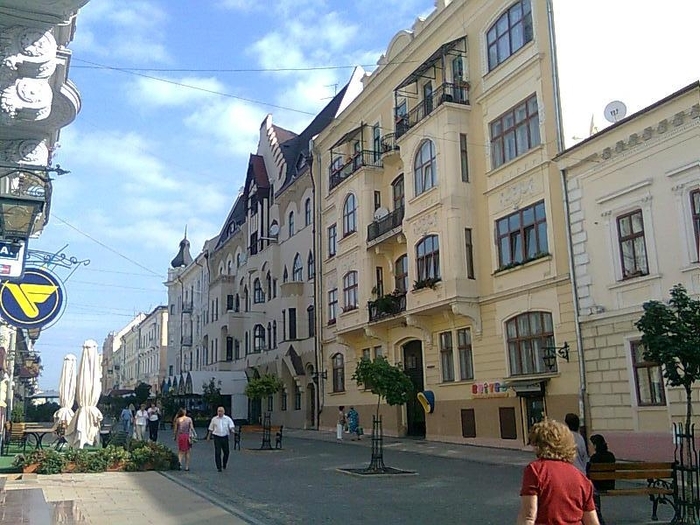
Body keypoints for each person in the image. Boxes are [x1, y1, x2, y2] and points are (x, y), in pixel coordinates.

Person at [517, 418, 599, 525]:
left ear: (539, 445)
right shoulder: (581, 477)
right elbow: (592, 522)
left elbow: (528, 517)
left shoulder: (535, 470)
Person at [587, 434, 616, 525]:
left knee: (591, 489)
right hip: (610, 485)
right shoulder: (611, 456)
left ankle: (597, 515)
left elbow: (588, 472)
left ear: (595, 445)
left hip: (598, 486)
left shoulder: (594, 458)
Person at [206, 406, 236, 472]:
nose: (219, 412)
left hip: (225, 437)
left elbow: (231, 426)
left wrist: (232, 430)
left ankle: (224, 463)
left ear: (224, 412)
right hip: (217, 437)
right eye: (218, 411)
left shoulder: (227, 419)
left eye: (221, 411)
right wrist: (208, 436)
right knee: (217, 452)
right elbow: (211, 428)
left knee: (226, 452)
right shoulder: (214, 419)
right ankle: (219, 467)